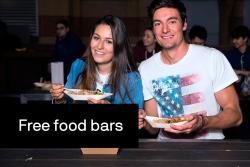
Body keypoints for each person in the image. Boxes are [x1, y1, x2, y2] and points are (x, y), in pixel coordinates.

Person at [138, 0, 242, 139]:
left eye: (172, 21)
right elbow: (153, 128)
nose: (165, 29)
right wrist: (144, 121)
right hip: (165, 152)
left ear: (184, 24)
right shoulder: (145, 68)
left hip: (210, 151)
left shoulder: (212, 58)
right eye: (158, 23)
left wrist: (203, 122)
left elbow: (235, 116)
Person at [50, 15, 143, 107]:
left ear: (119, 47)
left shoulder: (132, 79)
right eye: (96, 38)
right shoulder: (78, 66)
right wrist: (59, 99)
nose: (99, 46)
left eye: (109, 41)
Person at [226, 25, 250, 95]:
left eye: (237, 38)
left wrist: (239, 72)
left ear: (245, 39)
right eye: (233, 38)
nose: (234, 41)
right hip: (235, 89)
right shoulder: (230, 55)